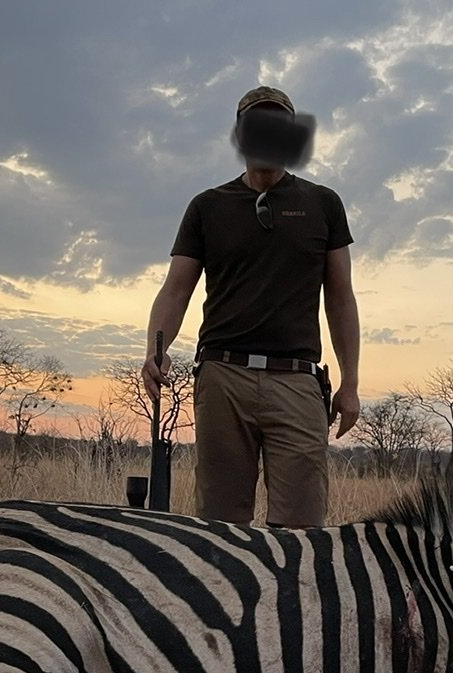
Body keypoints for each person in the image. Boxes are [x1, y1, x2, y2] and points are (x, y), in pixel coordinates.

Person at [141, 85, 361, 527]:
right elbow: (176, 288)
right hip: (223, 377)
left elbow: (340, 296)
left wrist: (350, 383)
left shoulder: (323, 204)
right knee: (219, 525)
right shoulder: (207, 206)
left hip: (297, 381)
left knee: (303, 528)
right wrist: (155, 348)